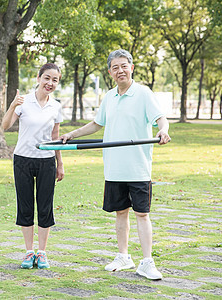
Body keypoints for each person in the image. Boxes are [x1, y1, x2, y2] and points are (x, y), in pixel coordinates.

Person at [60, 49, 170, 280]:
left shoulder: (143, 93)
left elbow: (160, 117)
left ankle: (147, 262)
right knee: (120, 213)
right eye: (115, 67)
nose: (120, 70)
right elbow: (96, 124)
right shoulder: (109, 96)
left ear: (131, 67)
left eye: (124, 65)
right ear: (110, 72)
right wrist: (72, 134)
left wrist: (163, 130)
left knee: (142, 214)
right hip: (114, 167)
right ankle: (123, 256)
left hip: (138, 167)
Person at [2, 63, 65, 269]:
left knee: (45, 207)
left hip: (46, 161)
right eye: (47, 78)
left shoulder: (55, 106)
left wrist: (59, 164)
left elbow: (55, 137)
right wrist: (12, 105)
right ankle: (29, 252)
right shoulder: (24, 101)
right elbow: (5, 126)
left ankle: (43, 252)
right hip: (23, 159)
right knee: (26, 206)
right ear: (39, 78)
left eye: (54, 80)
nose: (50, 83)